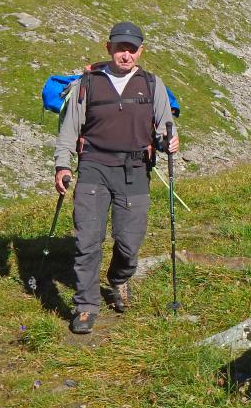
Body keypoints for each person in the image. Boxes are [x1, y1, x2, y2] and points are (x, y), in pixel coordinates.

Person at [54, 22, 178, 334]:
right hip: (94, 167)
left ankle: (119, 278)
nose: (125, 54)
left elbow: (165, 125)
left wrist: (168, 142)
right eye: (120, 47)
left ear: (141, 51)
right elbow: (70, 128)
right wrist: (62, 165)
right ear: (109, 48)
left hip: (135, 170)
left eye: (132, 49)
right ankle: (85, 305)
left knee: (129, 242)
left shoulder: (152, 84)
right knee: (87, 240)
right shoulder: (88, 83)